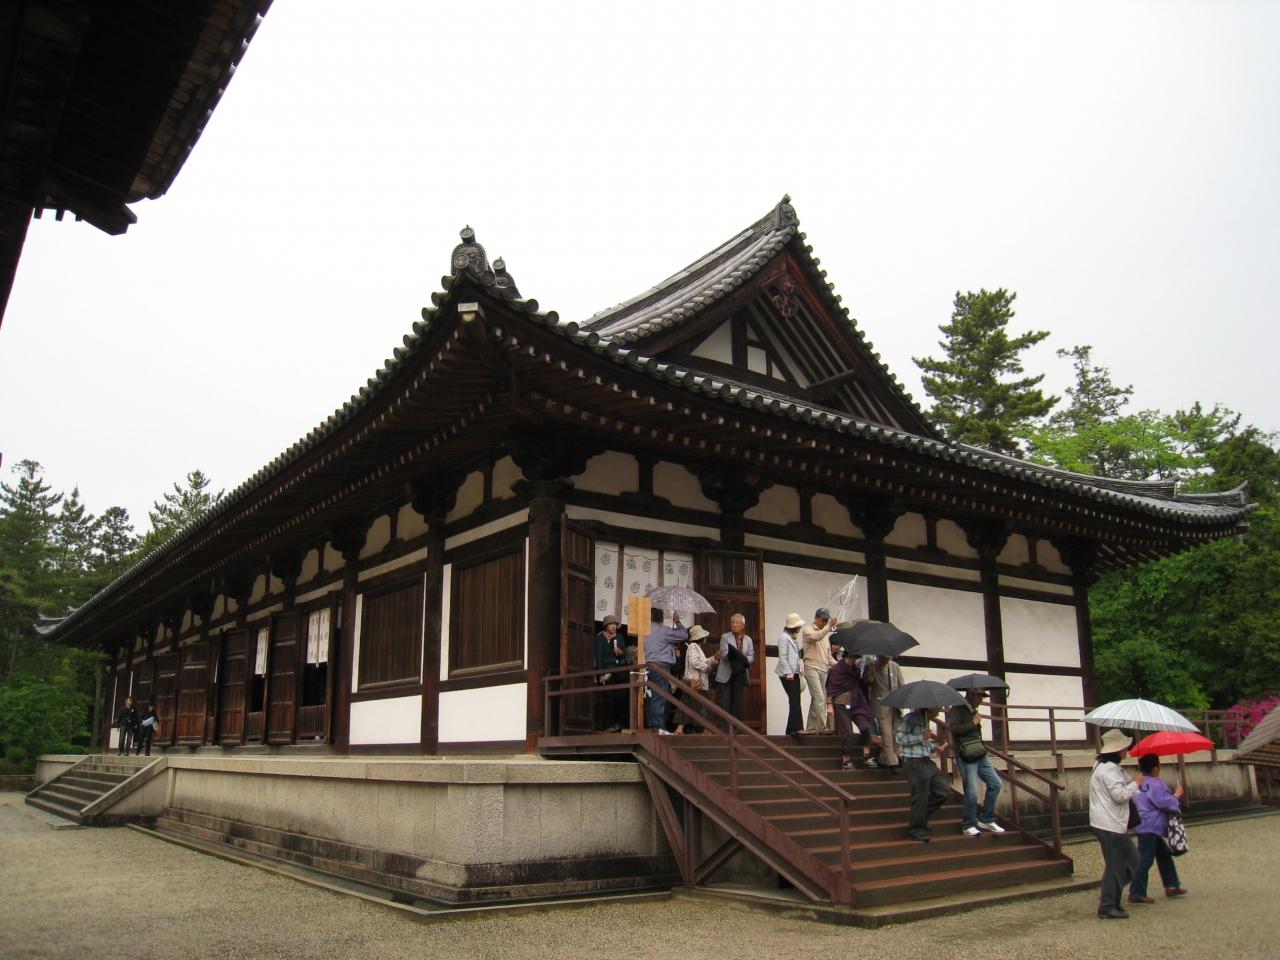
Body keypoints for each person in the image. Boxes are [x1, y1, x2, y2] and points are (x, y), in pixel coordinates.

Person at [1090, 727, 1144, 919]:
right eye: (1124, 747)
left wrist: (1132, 782)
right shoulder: (1108, 770)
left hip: (1109, 822)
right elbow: (1119, 795)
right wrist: (1135, 783)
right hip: (1109, 823)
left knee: (1127, 861)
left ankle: (1111, 899)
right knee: (1119, 864)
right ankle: (1108, 903)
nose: (1126, 751)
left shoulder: (1103, 767)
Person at [1129, 753, 1187, 903]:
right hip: (1152, 824)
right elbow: (1166, 803)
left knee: (1163, 853)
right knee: (1145, 859)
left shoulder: (1136, 782)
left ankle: (1172, 884)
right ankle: (1137, 891)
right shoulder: (1157, 784)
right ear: (1155, 768)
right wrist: (1177, 795)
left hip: (1141, 823)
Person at [947, 688, 1004, 836]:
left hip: (979, 751)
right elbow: (954, 729)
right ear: (971, 694)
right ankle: (968, 824)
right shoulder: (957, 709)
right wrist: (973, 722)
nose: (981, 700)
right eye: (980, 696)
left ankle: (987, 818)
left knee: (996, 783)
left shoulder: (973, 709)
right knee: (971, 790)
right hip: (965, 752)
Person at [897, 706, 951, 841]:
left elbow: (923, 743)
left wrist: (934, 748)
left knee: (943, 791)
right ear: (928, 709)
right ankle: (915, 829)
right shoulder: (909, 718)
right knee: (920, 796)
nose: (937, 713)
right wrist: (921, 736)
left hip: (926, 760)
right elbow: (900, 738)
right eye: (936, 710)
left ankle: (921, 818)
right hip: (913, 760)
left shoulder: (925, 720)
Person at [825, 648, 879, 769]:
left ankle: (866, 755)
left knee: (866, 727)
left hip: (856, 703)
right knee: (848, 732)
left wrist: (869, 673)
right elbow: (831, 687)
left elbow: (861, 684)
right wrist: (829, 705)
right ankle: (846, 759)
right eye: (852, 658)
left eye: (855, 658)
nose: (854, 661)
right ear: (846, 656)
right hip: (841, 704)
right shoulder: (836, 669)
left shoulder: (856, 670)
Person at [643, 608, 688, 734]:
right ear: (661, 618)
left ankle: (656, 726)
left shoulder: (645, 630)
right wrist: (677, 621)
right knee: (659, 697)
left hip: (648, 666)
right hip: (660, 667)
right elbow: (684, 635)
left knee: (652, 697)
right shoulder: (663, 630)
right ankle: (658, 727)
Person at [675, 625, 717, 735]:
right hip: (694, 680)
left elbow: (703, 661)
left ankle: (689, 729)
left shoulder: (696, 647)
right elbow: (695, 663)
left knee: (693, 704)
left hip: (696, 680)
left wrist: (713, 658)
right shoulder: (693, 646)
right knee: (694, 704)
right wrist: (708, 668)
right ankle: (684, 728)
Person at [800, 608, 837, 734]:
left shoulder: (825, 634)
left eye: (827, 620)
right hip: (811, 667)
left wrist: (841, 666)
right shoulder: (808, 630)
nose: (825, 622)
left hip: (823, 669)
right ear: (816, 618)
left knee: (816, 699)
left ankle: (811, 727)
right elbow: (816, 637)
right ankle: (822, 726)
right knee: (820, 697)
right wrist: (829, 627)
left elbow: (829, 657)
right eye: (823, 620)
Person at [714, 614, 754, 722]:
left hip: (739, 674)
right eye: (732, 623)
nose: (734, 625)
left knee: (737, 703)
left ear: (743, 625)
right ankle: (723, 729)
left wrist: (742, 658)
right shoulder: (725, 637)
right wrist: (738, 657)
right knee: (724, 703)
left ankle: (737, 729)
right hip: (725, 674)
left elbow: (751, 656)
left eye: (737, 623)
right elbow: (724, 654)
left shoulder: (748, 640)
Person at [866, 654, 903, 767]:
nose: (886, 660)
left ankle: (883, 759)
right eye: (884, 658)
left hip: (896, 704)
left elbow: (902, 685)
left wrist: (905, 702)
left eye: (888, 658)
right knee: (886, 734)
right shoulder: (872, 666)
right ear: (879, 656)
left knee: (896, 734)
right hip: (881, 704)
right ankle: (893, 762)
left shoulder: (895, 666)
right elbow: (866, 683)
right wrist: (870, 675)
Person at [593, 615, 628, 732]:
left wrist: (620, 652)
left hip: (619, 670)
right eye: (610, 624)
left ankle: (619, 723)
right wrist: (600, 674)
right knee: (609, 698)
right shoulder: (600, 638)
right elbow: (599, 657)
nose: (613, 627)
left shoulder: (619, 637)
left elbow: (625, 655)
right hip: (607, 671)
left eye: (615, 624)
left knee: (621, 697)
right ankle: (609, 724)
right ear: (606, 626)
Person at [775, 613, 806, 735]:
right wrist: (788, 672)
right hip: (787, 674)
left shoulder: (792, 637)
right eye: (798, 625)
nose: (800, 627)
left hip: (795, 672)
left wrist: (800, 667)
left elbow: (795, 656)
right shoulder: (783, 637)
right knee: (794, 700)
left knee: (795, 700)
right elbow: (782, 656)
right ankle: (796, 728)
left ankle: (790, 730)